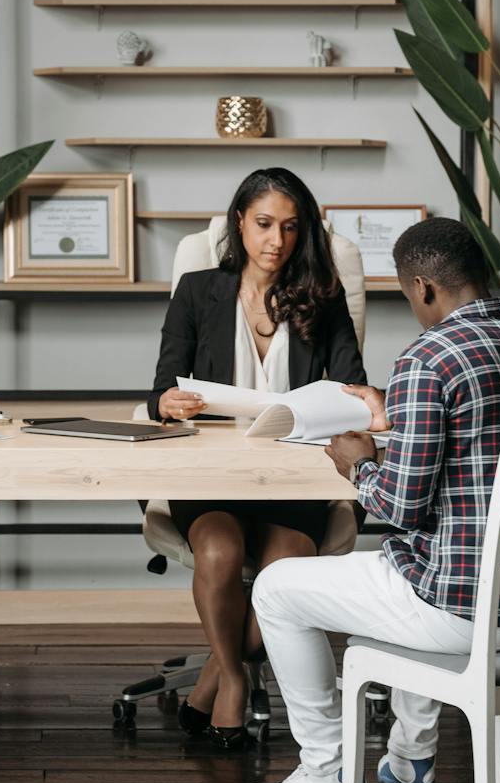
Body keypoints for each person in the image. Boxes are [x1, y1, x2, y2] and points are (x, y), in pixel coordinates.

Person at [245, 216, 500, 783]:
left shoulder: (429, 355)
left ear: (423, 287)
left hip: (461, 612)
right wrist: (394, 420)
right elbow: (478, 451)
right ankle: (408, 763)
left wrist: (358, 463)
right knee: (415, 564)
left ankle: (323, 771)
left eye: (406, 295)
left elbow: (401, 505)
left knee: (276, 587)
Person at [147, 167, 366, 751]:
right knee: (219, 551)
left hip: (294, 479)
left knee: (283, 577)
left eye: (292, 229)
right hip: (213, 475)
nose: (277, 241)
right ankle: (237, 676)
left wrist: (350, 402)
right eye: (265, 224)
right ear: (239, 221)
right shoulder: (198, 290)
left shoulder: (323, 296)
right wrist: (168, 401)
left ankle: (218, 673)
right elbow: (160, 390)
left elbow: (350, 387)